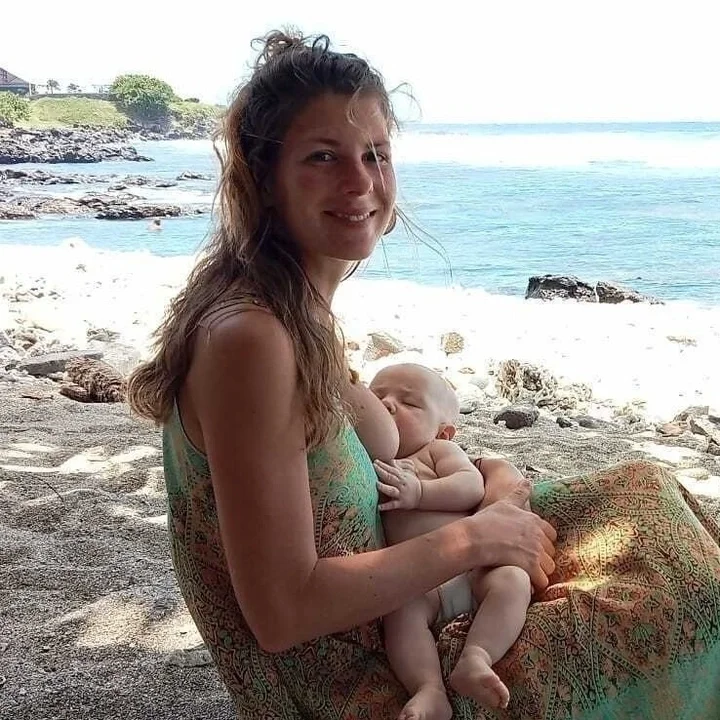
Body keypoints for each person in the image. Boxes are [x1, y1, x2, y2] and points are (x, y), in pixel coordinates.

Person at [127, 30, 720, 720]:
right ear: (264, 179)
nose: (361, 182)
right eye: (323, 156)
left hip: (398, 585)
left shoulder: (293, 312)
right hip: (364, 672)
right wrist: (476, 538)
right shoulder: (251, 340)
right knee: (683, 586)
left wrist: (491, 477)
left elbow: (384, 447)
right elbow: (283, 613)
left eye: (375, 154)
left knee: (647, 489)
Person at [369, 362, 531, 717]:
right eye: (375, 397)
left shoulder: (435, 452)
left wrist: (420, 492)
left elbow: (470, 486)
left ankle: (477, 656)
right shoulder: (372, 462)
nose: (387, 404)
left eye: (409, 403)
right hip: (421, 583)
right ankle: (428, 688)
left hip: (471, 571)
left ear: (443, 433)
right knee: (400, 612)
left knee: (513, 581)